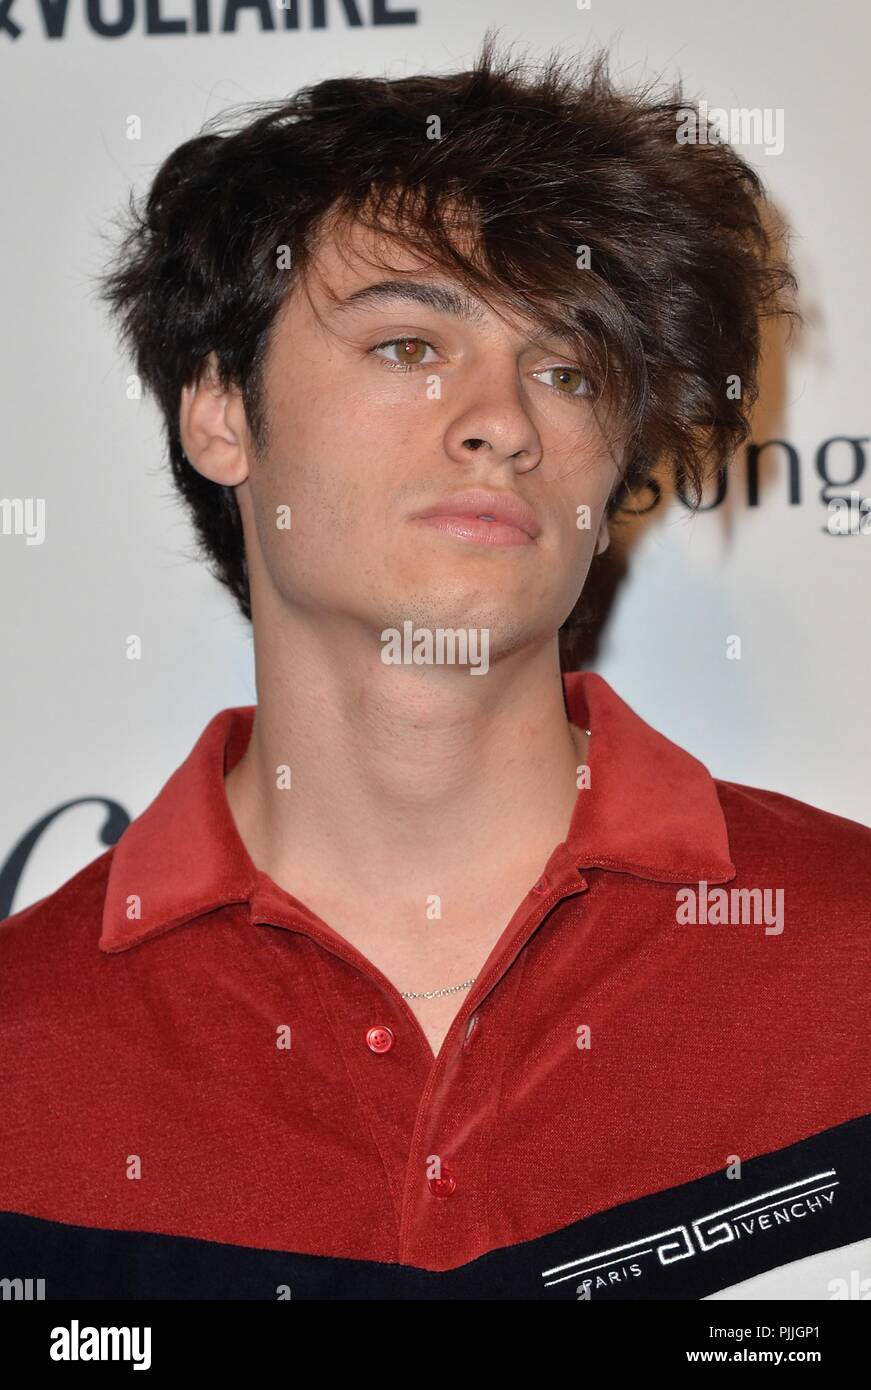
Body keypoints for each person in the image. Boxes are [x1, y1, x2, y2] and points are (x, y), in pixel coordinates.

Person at [1, 34, 869, 1301]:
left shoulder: (850, 958)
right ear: (219, 411)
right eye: (409, 344)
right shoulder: (25, 1052)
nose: (505, 421)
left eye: (567, 370)